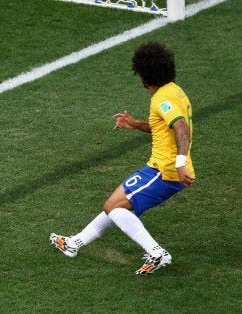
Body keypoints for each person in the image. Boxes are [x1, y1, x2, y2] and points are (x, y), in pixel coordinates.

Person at [50, 41, 195, 275]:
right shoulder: (174, 91)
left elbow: (181, 128)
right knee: (114, 205)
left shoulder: (161, 99)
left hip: (165, 170)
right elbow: (165, 126)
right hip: (160, 167)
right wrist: (136, 124)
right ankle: (74, 243)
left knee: (115, 208)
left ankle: (157, 253)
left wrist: (179, 165)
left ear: (143, 75)